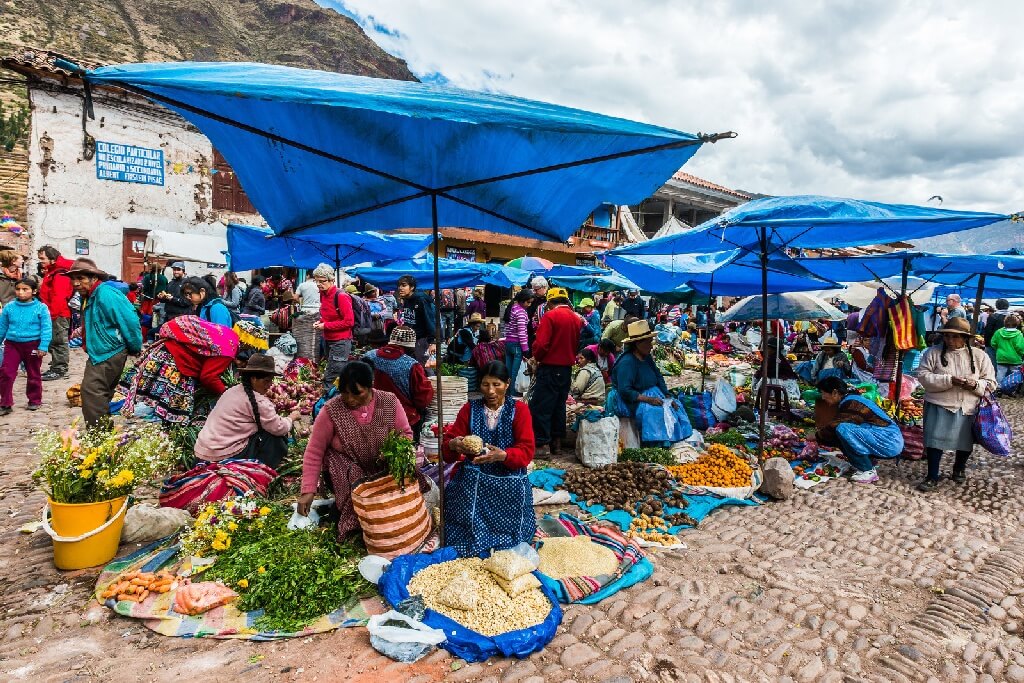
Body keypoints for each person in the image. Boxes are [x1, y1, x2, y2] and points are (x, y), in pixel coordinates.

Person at [297, 361, 421, 539]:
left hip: (381, 467)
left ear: (370, 386)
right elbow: (314, 451)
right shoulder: (331, 410)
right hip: (346, 469)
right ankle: (351, 522)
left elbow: (405, 434)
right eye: (345, 393)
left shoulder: (389, 401)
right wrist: (308, 491)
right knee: (354, 481)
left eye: (357, 393)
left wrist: (391, 453)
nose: (350, 399)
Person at [442, 360, 536, 555]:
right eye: (486, 385)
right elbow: (448, 449)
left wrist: (504, 455)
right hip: (474, 477)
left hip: (509, 478)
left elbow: (526, 451)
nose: (491, 391)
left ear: (507, 384)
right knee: (461, 513)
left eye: (497, 384)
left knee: (514, 520)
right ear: (479, 385)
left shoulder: (519, 411)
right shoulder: (469, 409)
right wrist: (453, 444)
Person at [916, 317, 996, 491]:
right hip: (939, 404)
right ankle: (932, 476)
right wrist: (949, 380)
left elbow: (991, 382)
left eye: (955, 337)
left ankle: (959, 468)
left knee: (965, 441)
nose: (950, 341)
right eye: (947, 337)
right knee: (934, 441)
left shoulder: (979, 355)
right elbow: (923, 376)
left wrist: (975, 385)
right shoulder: (932, 353)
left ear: (965, 338)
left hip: (968, 405)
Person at [120, 315, 240, 423]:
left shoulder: (229, 335)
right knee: (176, 414)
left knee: (163, 407)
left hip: (165, 351)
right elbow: (208, 377)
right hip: (176, 360)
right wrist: (226, 393)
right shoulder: (229, 350)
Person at [68, 258, 143, 425]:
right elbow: (98, 319)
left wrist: (135, 346)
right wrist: (83, 330)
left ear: (94, 278)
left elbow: (129, 321)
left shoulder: (106, 294)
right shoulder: (88, 295)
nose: (76, 283)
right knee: (101, 394)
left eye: (80, 278)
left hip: (109, 351)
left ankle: (99, 436)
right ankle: (103, 435)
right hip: (102, 351)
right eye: (73, 279)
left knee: (91, 392)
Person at [194, 353, 298, 465]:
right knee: (275, 439)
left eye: (270, 381)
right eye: (266, 381)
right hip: (220, 455)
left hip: (202, 452)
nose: (269, 385)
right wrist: (291, 418)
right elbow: (279, 428)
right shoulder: (259, 402)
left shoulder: (232, 390)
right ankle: (260, 469)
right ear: (253, 379)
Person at [814, 376, 903, 484]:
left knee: (842, 429)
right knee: (841, 431)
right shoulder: (851, 399)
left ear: (834, 392)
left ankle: (867, 470)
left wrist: (816, 436)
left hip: (889, 441)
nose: (823, 397)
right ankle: (868, 461)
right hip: (887, 438)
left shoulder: (853, 403)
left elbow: (835, 426)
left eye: (823, 393)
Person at [529, 287, 582, 456]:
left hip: (550, 367)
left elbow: (542, 345)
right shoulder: (576, 318)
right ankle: (557, 443)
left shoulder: (550, 316)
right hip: (566, 368)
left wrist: (536, 357)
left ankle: (542, 444)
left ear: (550, 302)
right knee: (559, 405)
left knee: (542, 406)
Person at [362, 326, 435, 442]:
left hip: (369, 418)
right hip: (404, 421)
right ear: (410, 347)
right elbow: (422, 399)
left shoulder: (368, 356)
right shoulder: (412, 365)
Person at [0, 278, 51, 414]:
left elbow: (46, 328)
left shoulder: (41, 308)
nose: (21, 292)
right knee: (6, 373)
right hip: (12, 345)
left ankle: (34, 400)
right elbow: (2, 327)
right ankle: (5, 403)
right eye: (18, 289)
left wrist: (43, 346)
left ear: (34, 291)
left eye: (25, 289)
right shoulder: (9, 307)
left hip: (32, 345)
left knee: (33, 373)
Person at [611, 320, 669, 420]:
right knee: (657, 414)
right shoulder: (627, 362)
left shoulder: (647, 357)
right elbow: (625, 390)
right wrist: (648, 400)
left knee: (674, 409)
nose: (651, 346)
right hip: (631, 401)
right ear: (637, 344)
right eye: (648, 342)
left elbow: (658, 375)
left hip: (651, 396)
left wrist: (667, 395)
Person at [310, 263, 355, 388]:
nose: (319, 284)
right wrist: (321, 321)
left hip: (340, 341)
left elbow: (349, 322)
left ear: (331, 280)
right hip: (328, 339)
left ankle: (330, 404)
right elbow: (328, 315)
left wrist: (326, 326)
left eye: (322, 281)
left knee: (333, 375)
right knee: (331, 370)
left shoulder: (341, 296)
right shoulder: (323, 295)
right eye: (316, 281)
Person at [37, 245, 73, 381]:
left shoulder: (59, 274)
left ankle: (59, 369)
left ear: (52, 259)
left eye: (42, 258)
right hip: (54, 312)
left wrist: (51, 315)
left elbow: (59, 296)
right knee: (54, 341)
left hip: (58, 313)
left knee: (58, 342)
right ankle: (56, 365)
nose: (41, 261)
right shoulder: (53, 271)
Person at [395, 275, 435, 364]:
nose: (400, 288)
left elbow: (430, 320)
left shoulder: (421, 300)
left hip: (421, 340)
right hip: (410, 340)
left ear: (412, 287)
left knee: (423, 366)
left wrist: (433, 342)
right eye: (399, 285)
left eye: (404, 285)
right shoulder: (406, 300)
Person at [503, 289, 533, 392]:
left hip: (508, 343)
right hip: (517, 345)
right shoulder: (520, 312)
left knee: (508, 371)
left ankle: (506, 393)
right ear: (522, 300)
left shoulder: (512, 308)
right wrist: (525, 349)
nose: (529, 304)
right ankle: (511, 395)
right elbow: (521, 332)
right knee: (514, 373)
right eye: (528, 302)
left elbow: (507, 328)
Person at [989, 313, 1024, 383]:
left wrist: (999, 349)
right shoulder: (1019, 334)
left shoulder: (998, 332)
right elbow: (1020, 347)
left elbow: (993, 343)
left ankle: (999, 388)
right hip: (1015, 359)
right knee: (1015, 376)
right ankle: (1012, 389)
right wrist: (1021, 354)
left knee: (1000, 374)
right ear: (1016, 323)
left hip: (1001, 357)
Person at [139, 261, 168, 340]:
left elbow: (143, 289)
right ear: (159, 269)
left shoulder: (147, 277)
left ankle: (145, 338)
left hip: (147, 302)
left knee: (145, 320)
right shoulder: (163, 278)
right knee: (157, 320)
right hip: (158, 302)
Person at [984, 298, 1010, 364]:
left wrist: (987, 344)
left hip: (994, 345)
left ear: (997, 306)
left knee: (994, 364)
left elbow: (988, 331)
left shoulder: (993, 317)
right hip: (1009, 345)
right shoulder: (1013, 317)